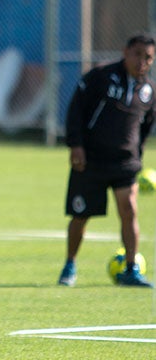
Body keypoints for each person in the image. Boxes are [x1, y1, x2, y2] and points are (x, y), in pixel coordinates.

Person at [58, 34, 156, 288]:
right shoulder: (100, 76)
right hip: (91, 159)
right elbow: (76, 110)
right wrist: (76, 145)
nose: (142, 62)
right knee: (81, 215)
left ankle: (131, 269)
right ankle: (70, 265)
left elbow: (144, 128)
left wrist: (137, 155)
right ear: (125, 52)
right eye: (137, 54)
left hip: (124, 163)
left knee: (130, 210)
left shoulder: (148, 91)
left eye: (148, 57)